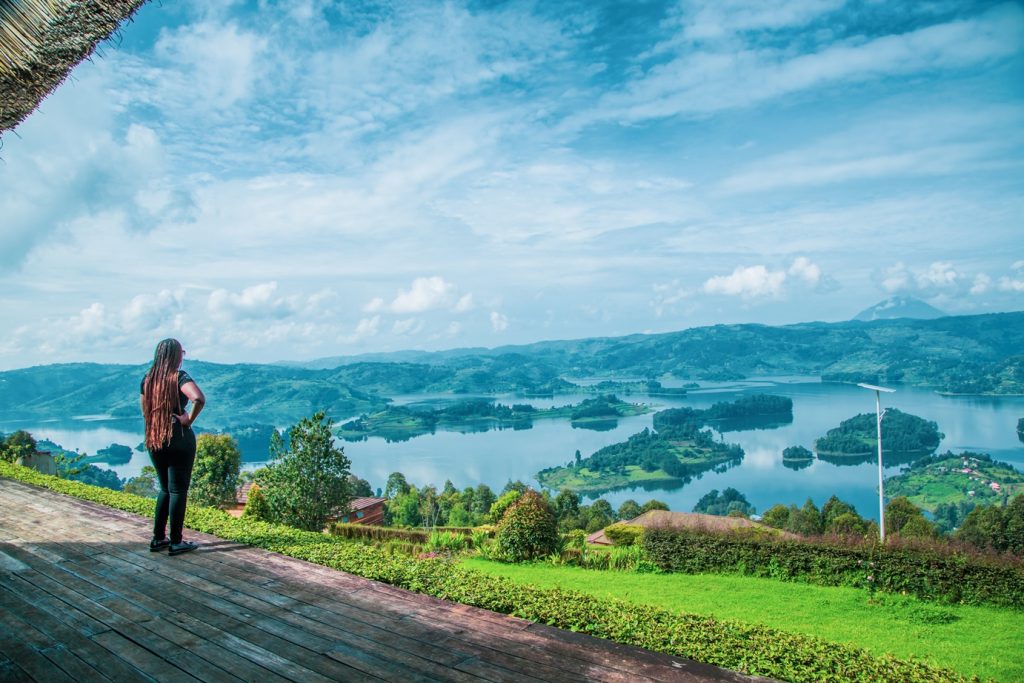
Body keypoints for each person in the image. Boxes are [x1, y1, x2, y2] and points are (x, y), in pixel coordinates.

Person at [140, 338, 205, 555]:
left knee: (165, 488)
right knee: (178, 489)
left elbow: (145, 411)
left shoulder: (148, 380)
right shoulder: (178, 377)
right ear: (176, 356)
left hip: (155, 438)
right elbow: (198, 398)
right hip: (178, 436)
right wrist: (187, 420)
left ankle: (158, 538)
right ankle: (176, 541)